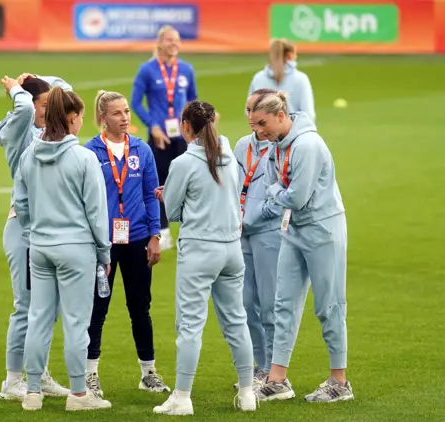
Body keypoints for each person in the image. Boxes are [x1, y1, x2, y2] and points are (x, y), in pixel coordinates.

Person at [152, 100, 257, 415]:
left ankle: (182, 397)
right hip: (231, 249)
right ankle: (248, 393)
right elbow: (229, 194)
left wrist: (168, 194)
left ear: (186, 126)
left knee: (190, 326)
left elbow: (171, 211)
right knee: (237, 321)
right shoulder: (228, 154)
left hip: (200, 250)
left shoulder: (183, 163)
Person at [248, 92, 353, 403]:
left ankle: (339, 381)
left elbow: (297, 197)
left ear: (281, 116)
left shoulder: (306, 145)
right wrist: (280, 191)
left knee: (329, 305)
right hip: (293, 228)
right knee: (283, 303)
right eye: (254, 125)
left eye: (262, 123)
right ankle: (277, 379)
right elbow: (278, 189)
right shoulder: (275, 147)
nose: (258, 132)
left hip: (322, 228)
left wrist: (277, 191)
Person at [12, 85, 113, 411]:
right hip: (75, 249)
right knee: (75, 322)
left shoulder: (30, 155)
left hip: (40, 248)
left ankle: (32, 392)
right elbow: (97, 212)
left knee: (38, 317)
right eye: (81, 117)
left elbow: (21, 204)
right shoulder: (84, 158)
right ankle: (79, 395)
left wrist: (34, 232)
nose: (82, 122)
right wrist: (104, 253)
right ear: (71, 118)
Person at [83, 90, 170, 396]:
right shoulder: (90, 152)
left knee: (140, 308)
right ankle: (90, 374)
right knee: (97, 308)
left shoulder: (141, 149)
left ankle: (148, 372)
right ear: (103, 118)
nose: (124, 118)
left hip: (136, 240)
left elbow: (151, 194)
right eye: (117, 113)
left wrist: (155, 236)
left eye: (127, 112)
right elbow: (86, 201)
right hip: (103, 244)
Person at [0, 73, 72, 400]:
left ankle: (37, 373)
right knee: (26, 306)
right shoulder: (20, 129)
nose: (46, 110)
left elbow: (67, 93)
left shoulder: (48, 132)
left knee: (47, 309)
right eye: (44, 105)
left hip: (48, 228)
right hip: (24, 228)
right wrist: (17, 88)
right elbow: (25, 108)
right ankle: (12, 381)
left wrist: (40, 79)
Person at [232, 88, 283, 389]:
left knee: (269, 304)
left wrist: (255, 216)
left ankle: (273, 370)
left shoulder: (279, 147)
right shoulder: (241, 146)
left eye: (257, 113)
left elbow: (282, 194)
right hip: (241, 235)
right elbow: (236, 185)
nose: (252, 119)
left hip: (268, 232)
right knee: (246, 303)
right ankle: (258, 367)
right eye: (249, 111)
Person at [131, 25, 198, 250]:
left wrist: (195, 124)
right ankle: (162, 230)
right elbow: (136, 103)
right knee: (157, 183)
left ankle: (189, 227)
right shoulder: (147, 70)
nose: (174, 44)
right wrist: (153, 127)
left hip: (181, 136)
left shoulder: (186, 70)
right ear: (160, 43)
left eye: (177, 40)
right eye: (169, 40)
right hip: (159, 137)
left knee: (188, 181)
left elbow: (192, 100)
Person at [247, 39, 315, 121]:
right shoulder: (300, 79)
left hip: (263, 132)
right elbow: (308, 113)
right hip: (293, 131)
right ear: (290, 55)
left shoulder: (258, 78)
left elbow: (249, 110)